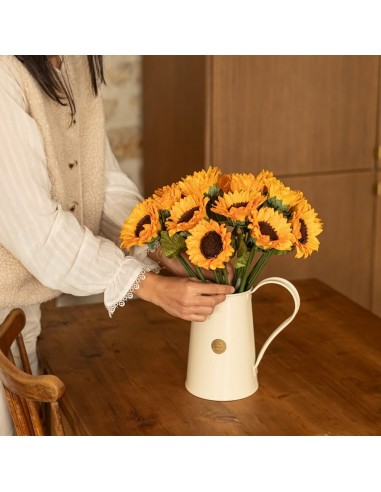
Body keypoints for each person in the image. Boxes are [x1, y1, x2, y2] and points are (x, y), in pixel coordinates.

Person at [0, 55, 234, 435]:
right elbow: (38, 232)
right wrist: (149, 284)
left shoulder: (72, 57)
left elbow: (102, 181)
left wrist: (162, 246)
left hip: (23, 313)